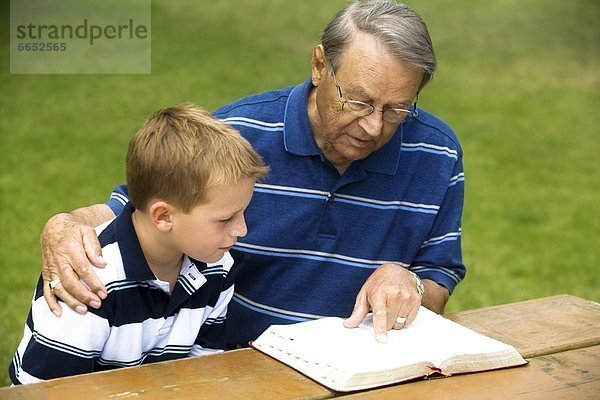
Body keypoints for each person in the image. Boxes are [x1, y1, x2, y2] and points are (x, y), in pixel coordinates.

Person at [40, 0, 466, 346]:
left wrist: (409, 280)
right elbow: (143, 208)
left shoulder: (438, 153)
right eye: (358, 101)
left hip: (362, 371)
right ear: (319, 66)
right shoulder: (238, 134)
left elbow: (439, 273)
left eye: (397, 109)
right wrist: (68, 223)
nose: (375, 125)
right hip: (229, 363)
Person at [9, 104, 269, 384]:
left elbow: (203, 376)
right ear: (163, 216)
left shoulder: (216, 268)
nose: (241, 229)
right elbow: (43, 392)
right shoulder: (88, 280)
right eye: (226, 218)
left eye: (243, 213)